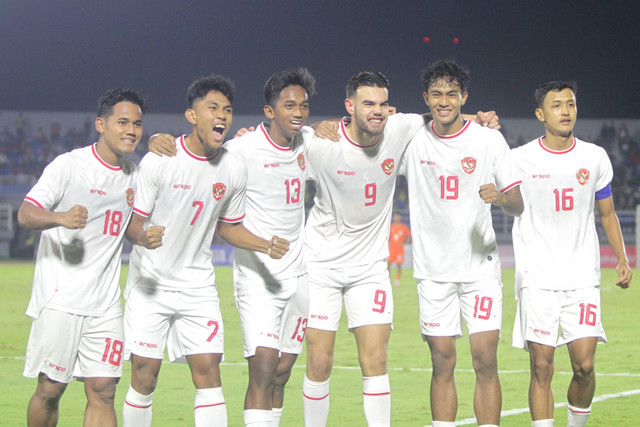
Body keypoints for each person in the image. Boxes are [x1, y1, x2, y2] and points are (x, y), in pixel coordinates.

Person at [121, 75, 289, 427]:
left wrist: (265, 244)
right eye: (212, 108)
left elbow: (228, 227)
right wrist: (143, 236)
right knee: (145, 375)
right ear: (191, 115)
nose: (222, 116)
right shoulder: (160, 159)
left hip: (197, 286)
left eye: (227, 110)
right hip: (150, 282)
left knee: (209, 373)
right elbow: (132, 223)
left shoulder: (232, 167)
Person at [399, 59, 523, 427]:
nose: (444, 101)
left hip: (479, 269)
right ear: (425, 98)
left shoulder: (489, 139)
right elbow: (374, 117)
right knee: (442, 361)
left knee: (485, 359)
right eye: (436, 94)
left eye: (452, 94)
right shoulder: (411, 139)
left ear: (464, 96)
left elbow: (519, 205)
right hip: (433, 272)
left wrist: (500, 197)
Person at [302, 71, 428, 427]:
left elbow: (441, 114)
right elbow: (276, 139)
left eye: (382, 104)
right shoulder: (319, 142)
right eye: (368, 103)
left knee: (375, 360)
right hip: (320, 266)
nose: (377, 111)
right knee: (319, 361)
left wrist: (477, 120)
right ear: (349, 106)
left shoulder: (400, 128)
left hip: (370, 268)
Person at [18, 88, 148, 427]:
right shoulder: (70, 165)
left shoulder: (134, 174)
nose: (131, 130)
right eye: (122, 122)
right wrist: (59, 218)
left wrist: (145, 236)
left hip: (105, 303)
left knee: (104, 390)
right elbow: (26, 214)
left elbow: (127, 227)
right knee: (50, 388)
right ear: (100, 125)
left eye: (136, 123)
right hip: (61, 297)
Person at [510, 81, 632, 427]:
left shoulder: (594, 157)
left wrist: (622, 258)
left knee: (585, 366)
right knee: (542, 366)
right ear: (540, 114)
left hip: (582, 276)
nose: (566, 111)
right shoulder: (519, 159)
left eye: (571, 104)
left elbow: (607, 214)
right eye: (557, 105)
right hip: (537, 277)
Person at [387, 211, 411, 286]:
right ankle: (388, 278)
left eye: (398, 216)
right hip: (392, 249)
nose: (396, 218)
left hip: (399, 249)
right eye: (395, 216)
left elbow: (409, 236)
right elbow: (386, 235)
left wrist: (406, 243)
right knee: (388, 264)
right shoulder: (391, 226)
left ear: (400, 217)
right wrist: (388, 241)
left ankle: (397, 279)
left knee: (399, 264)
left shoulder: (403, 227)